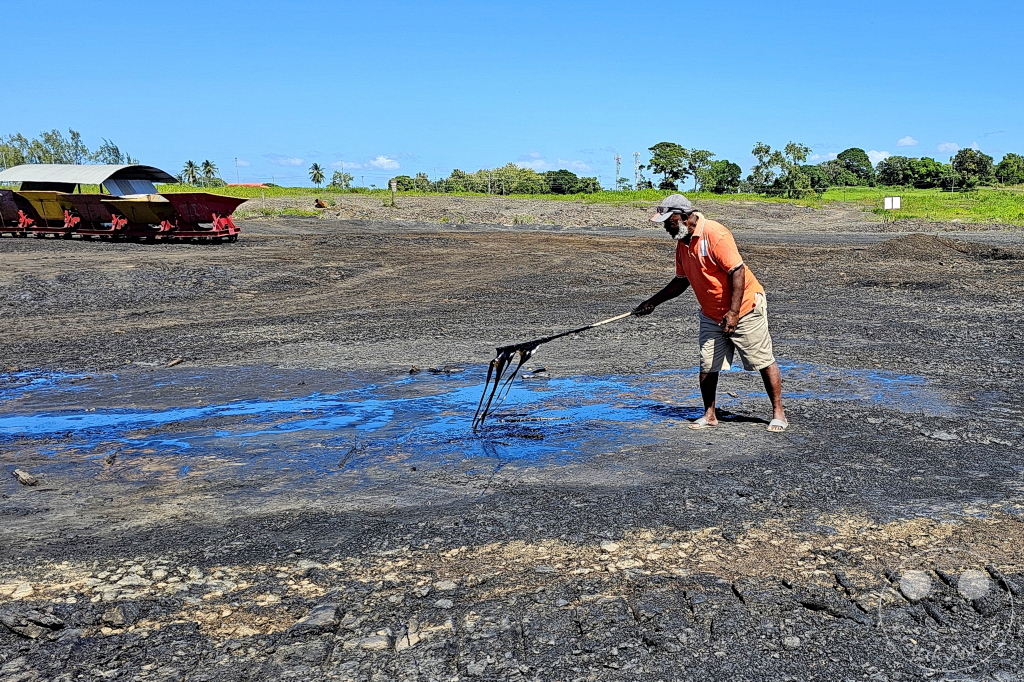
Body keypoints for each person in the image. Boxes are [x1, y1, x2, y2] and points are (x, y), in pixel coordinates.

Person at [633, 194, 788, 432]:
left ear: (683, 217)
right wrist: (652, 302)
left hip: (745, 307)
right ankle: (710, 414)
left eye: (668, 221)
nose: (665, 226)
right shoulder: (682, 242)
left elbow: (737, 271)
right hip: (711, 313)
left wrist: (734, 312)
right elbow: (680, 280)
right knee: (707, 364)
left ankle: (778, 413)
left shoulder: (715, 234)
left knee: (762, 360)